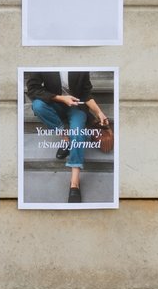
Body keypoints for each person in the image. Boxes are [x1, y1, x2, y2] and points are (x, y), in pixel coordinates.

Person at [24, 71, 109, 204]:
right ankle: (65, 139)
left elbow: (86, 93)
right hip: (54, 102)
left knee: (78, 133)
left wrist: (99, 112)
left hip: (77, 107)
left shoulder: (80, 65)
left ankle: (74, 183)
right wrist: (60, 98)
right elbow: (33, 89)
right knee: (38, 106)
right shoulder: (45, 61)